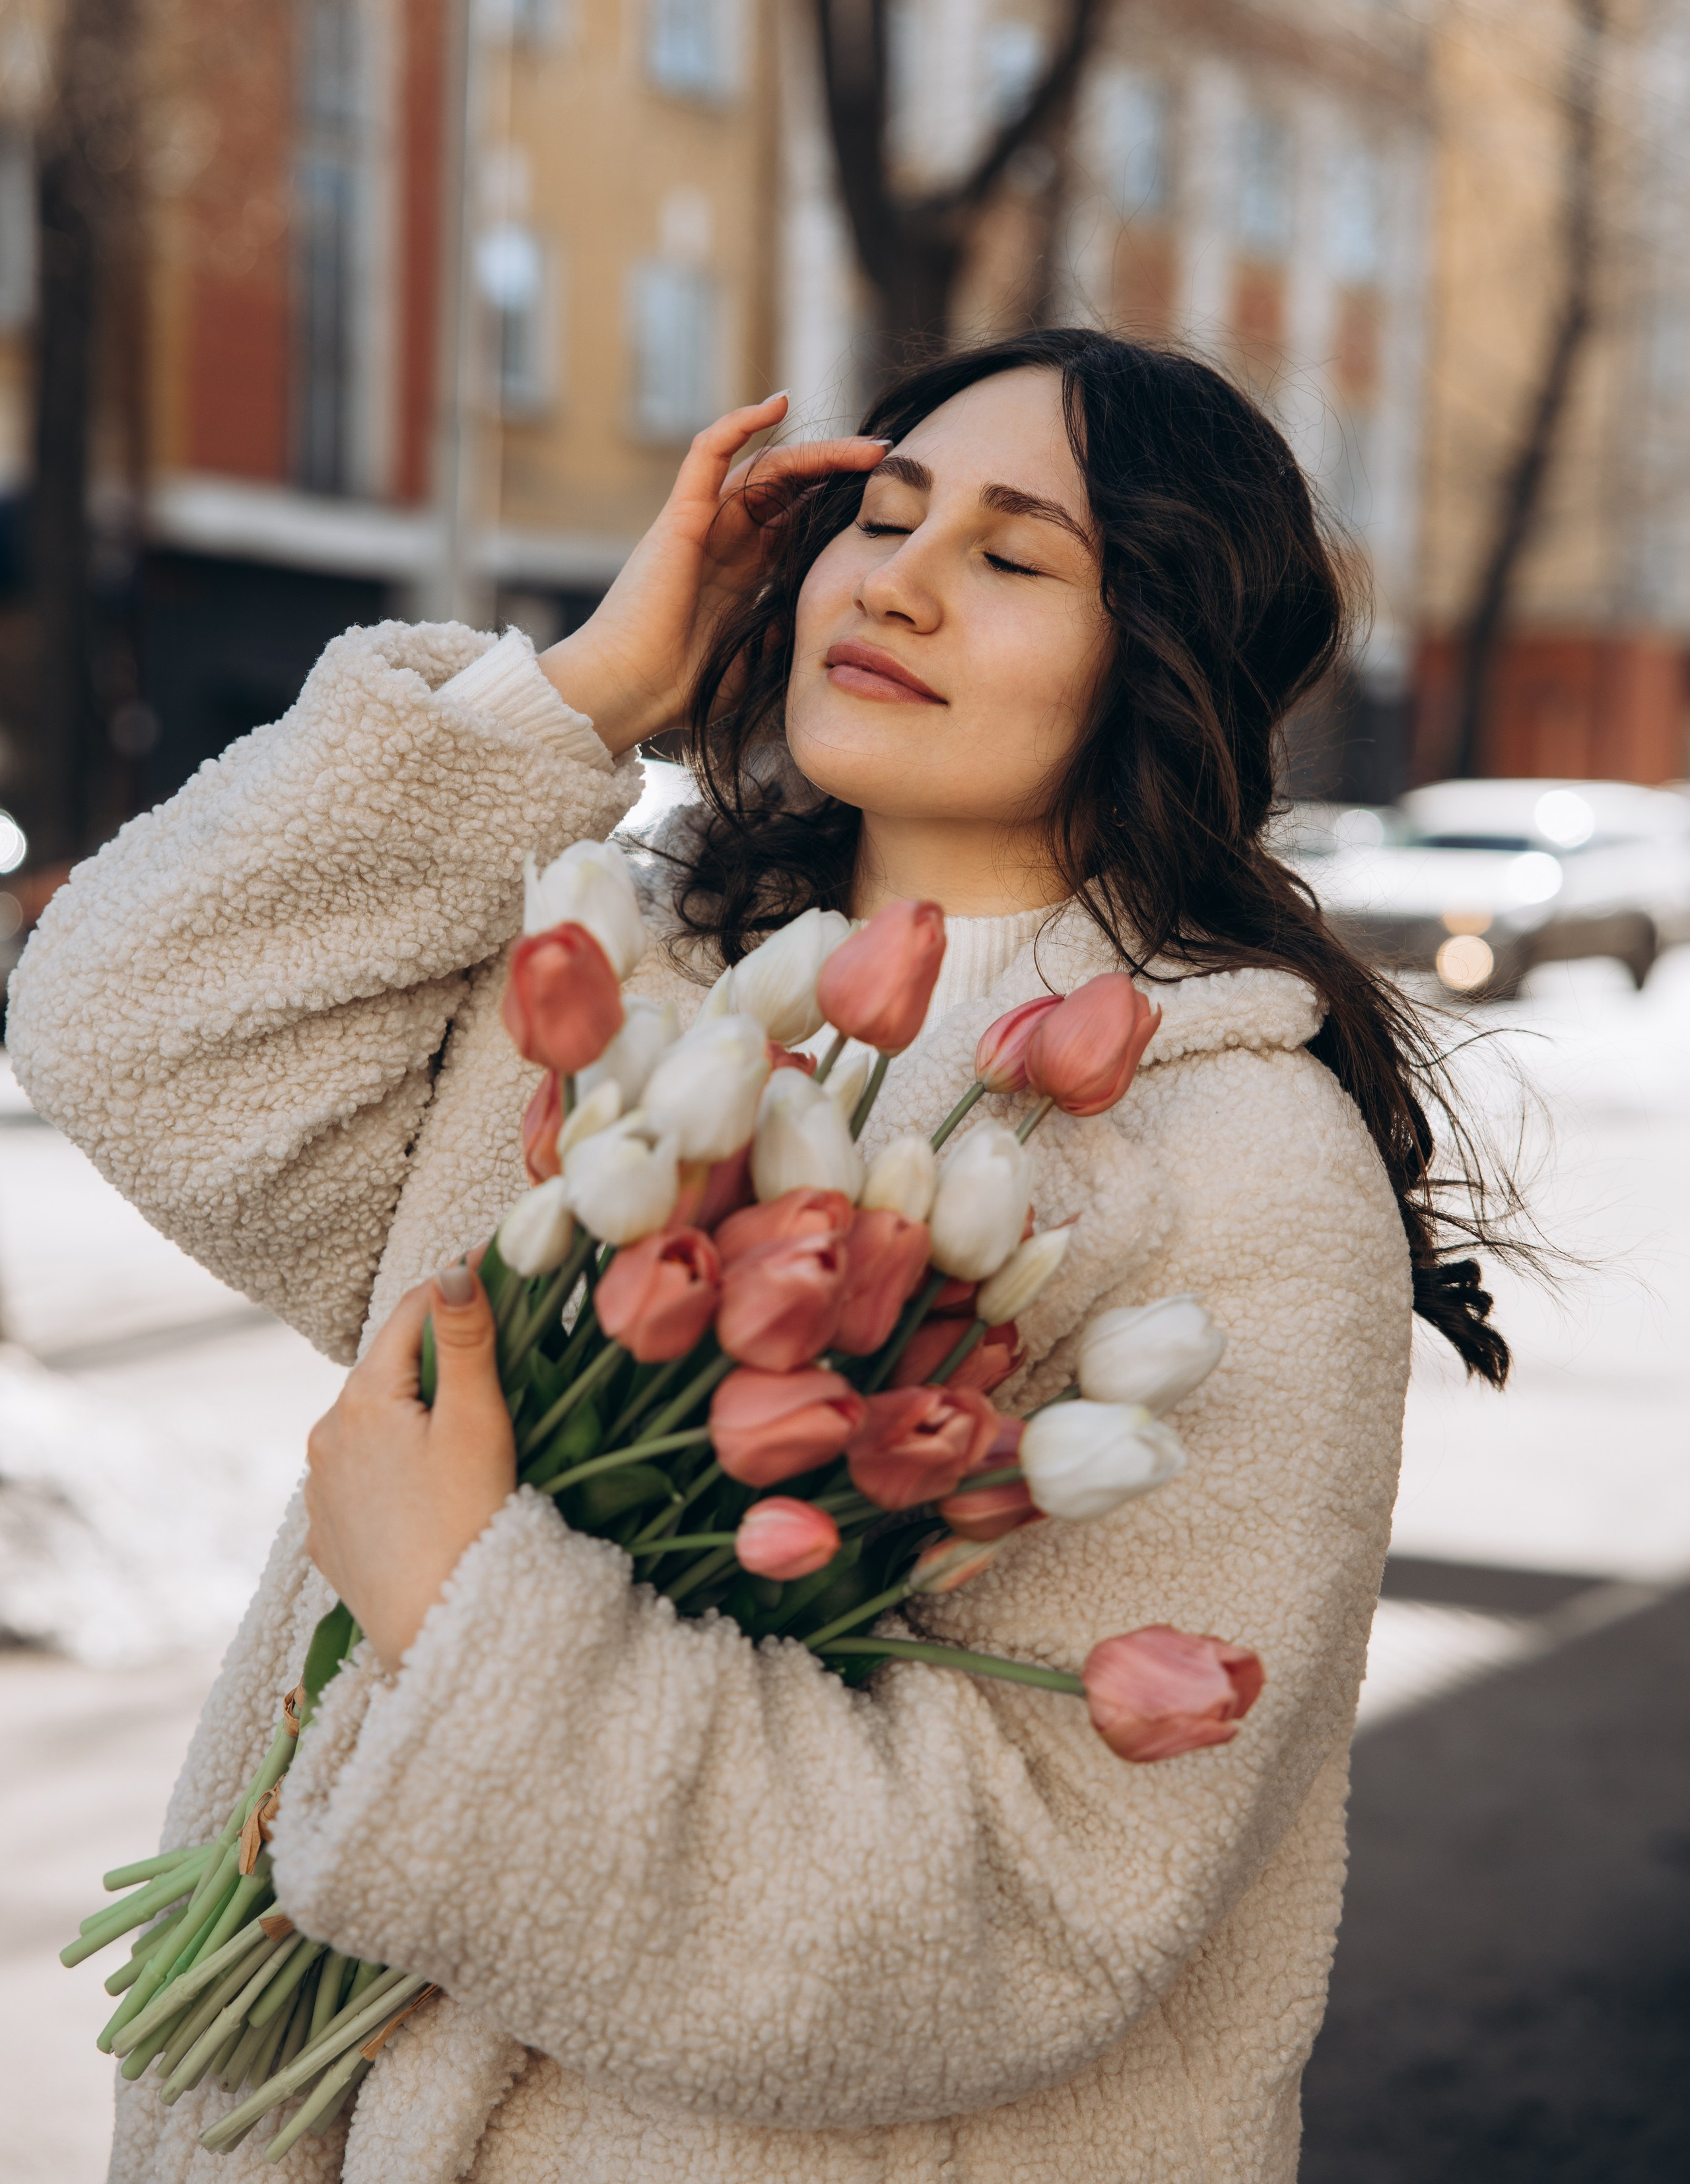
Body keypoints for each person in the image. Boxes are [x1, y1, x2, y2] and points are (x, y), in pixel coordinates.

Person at [9, 329, 1510, 2184]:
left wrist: (466, 1615)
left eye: (1010, 554)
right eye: (883, 518)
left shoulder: (1234, 1168)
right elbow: (129, 1020)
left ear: (1162, 661)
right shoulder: (642, 999)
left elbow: (1033, 1903)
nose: (898, 581)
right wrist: (594, 687)